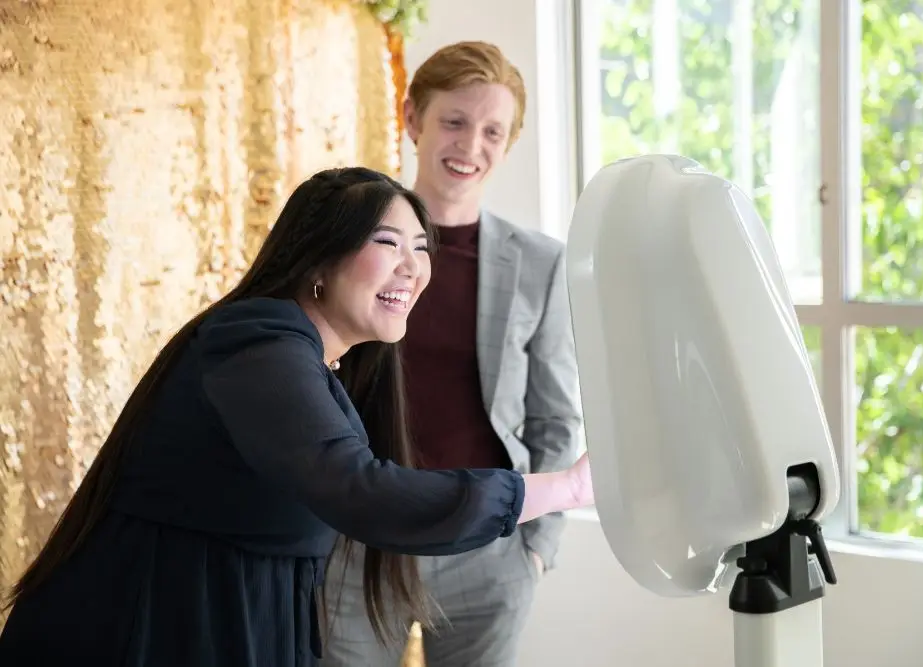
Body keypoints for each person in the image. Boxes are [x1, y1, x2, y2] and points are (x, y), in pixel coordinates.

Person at [0, 167, 593, 667]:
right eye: (388, 243)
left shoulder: (317, 360)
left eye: (421, 247)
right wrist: (563, 487)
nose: (413, 268)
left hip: (232, 615)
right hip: (159, 620)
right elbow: (363, 491)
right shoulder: (260, 343)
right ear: (319, 259)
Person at [323, 43, 582, 667]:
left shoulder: (539, 264)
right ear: (413, 119)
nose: (470, 146)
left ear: (508, 143)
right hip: (358, 543)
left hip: (489, 549)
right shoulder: (345, 242)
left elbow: (555, 415)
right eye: (454, 122)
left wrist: (537, 547)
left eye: (492, 131)